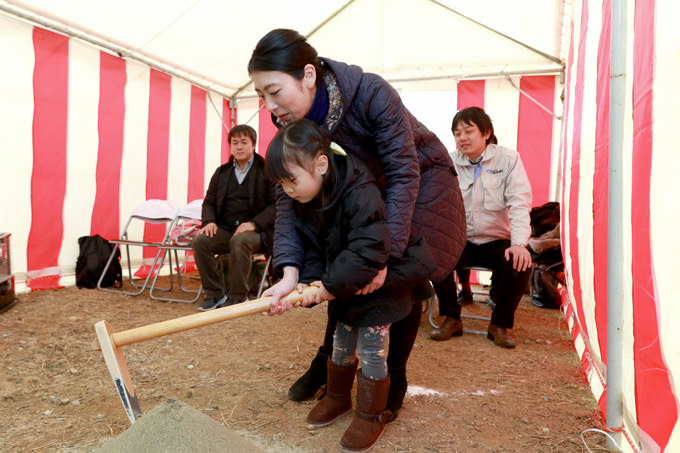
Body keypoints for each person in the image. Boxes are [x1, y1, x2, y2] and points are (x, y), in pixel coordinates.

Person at [248, 28, 467, 421]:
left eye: (274, 91)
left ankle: (392, 379)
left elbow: (404, 172)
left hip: (418, 182)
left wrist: (385, 254)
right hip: (361, 193)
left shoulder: (371, 93)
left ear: (309, 76)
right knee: (343, 267)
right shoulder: (289, 125)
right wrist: (289, 270)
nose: (269, 105)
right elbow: (286, 198)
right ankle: (331, 364)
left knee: (398, 275)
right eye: (260, 95)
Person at [264, 119, 435, 452]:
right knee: (341, 341)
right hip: (347, 284)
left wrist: (326, 287)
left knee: (372, 349)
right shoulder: (308, 197)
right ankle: (338, 397)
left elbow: (369, 249)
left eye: (292, 180)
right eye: (281, 183)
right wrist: (303, 288)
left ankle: (370, 414)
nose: (288, 190)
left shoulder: (360, 191)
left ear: (321, 164)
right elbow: (313, 248)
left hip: (383, 283)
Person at [430, 107, 532, 348]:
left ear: (486, 133)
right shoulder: (449, 161)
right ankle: (452, 317)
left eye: (468, 131)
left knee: (521, 265)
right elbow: (437, 203)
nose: (462, 138)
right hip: (460, 239)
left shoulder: (508, 159)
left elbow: (519, 202)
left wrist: (519, 244)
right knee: (433, 257)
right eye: (457, 133)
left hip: (496, 240)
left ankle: (500, 324)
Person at [192, 124, 276, 311]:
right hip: (226, 228)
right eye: (235, 142)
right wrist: (209, 222)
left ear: (253, 145)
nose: (239, 147)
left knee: (240, 240)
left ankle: (238, 296)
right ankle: (214, 294)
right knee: (201, 241)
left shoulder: (266, 171)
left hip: (258, 232)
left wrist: (254, 224)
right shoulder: (222, 173)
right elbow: (209, 202)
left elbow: (276, 205)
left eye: (244, 142)